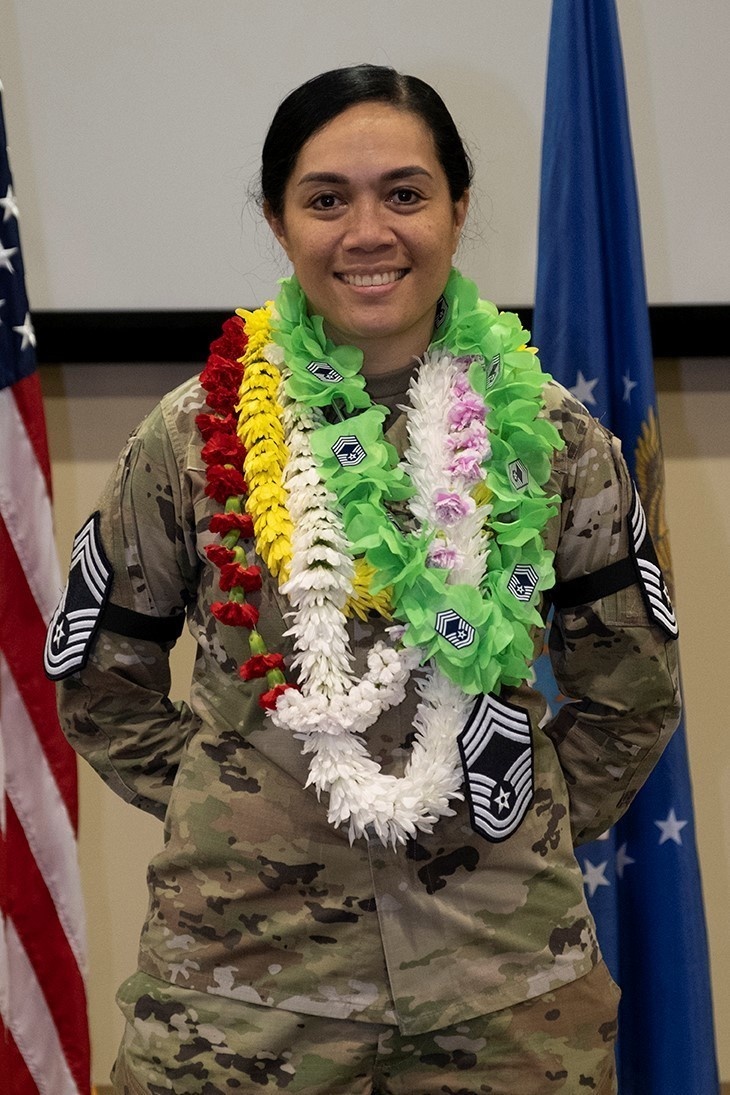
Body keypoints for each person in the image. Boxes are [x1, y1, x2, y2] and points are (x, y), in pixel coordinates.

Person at [46, 64, 681, 1095]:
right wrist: (230, 805)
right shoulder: (189, 435)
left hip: (506, 987)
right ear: (277, 219)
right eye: (326, 199)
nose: (368, 232)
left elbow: (631, 691)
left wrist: (510, 817)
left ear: (457, 208)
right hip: (237, 987)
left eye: (405, 193)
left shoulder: (553, 438)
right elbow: (100, 680)